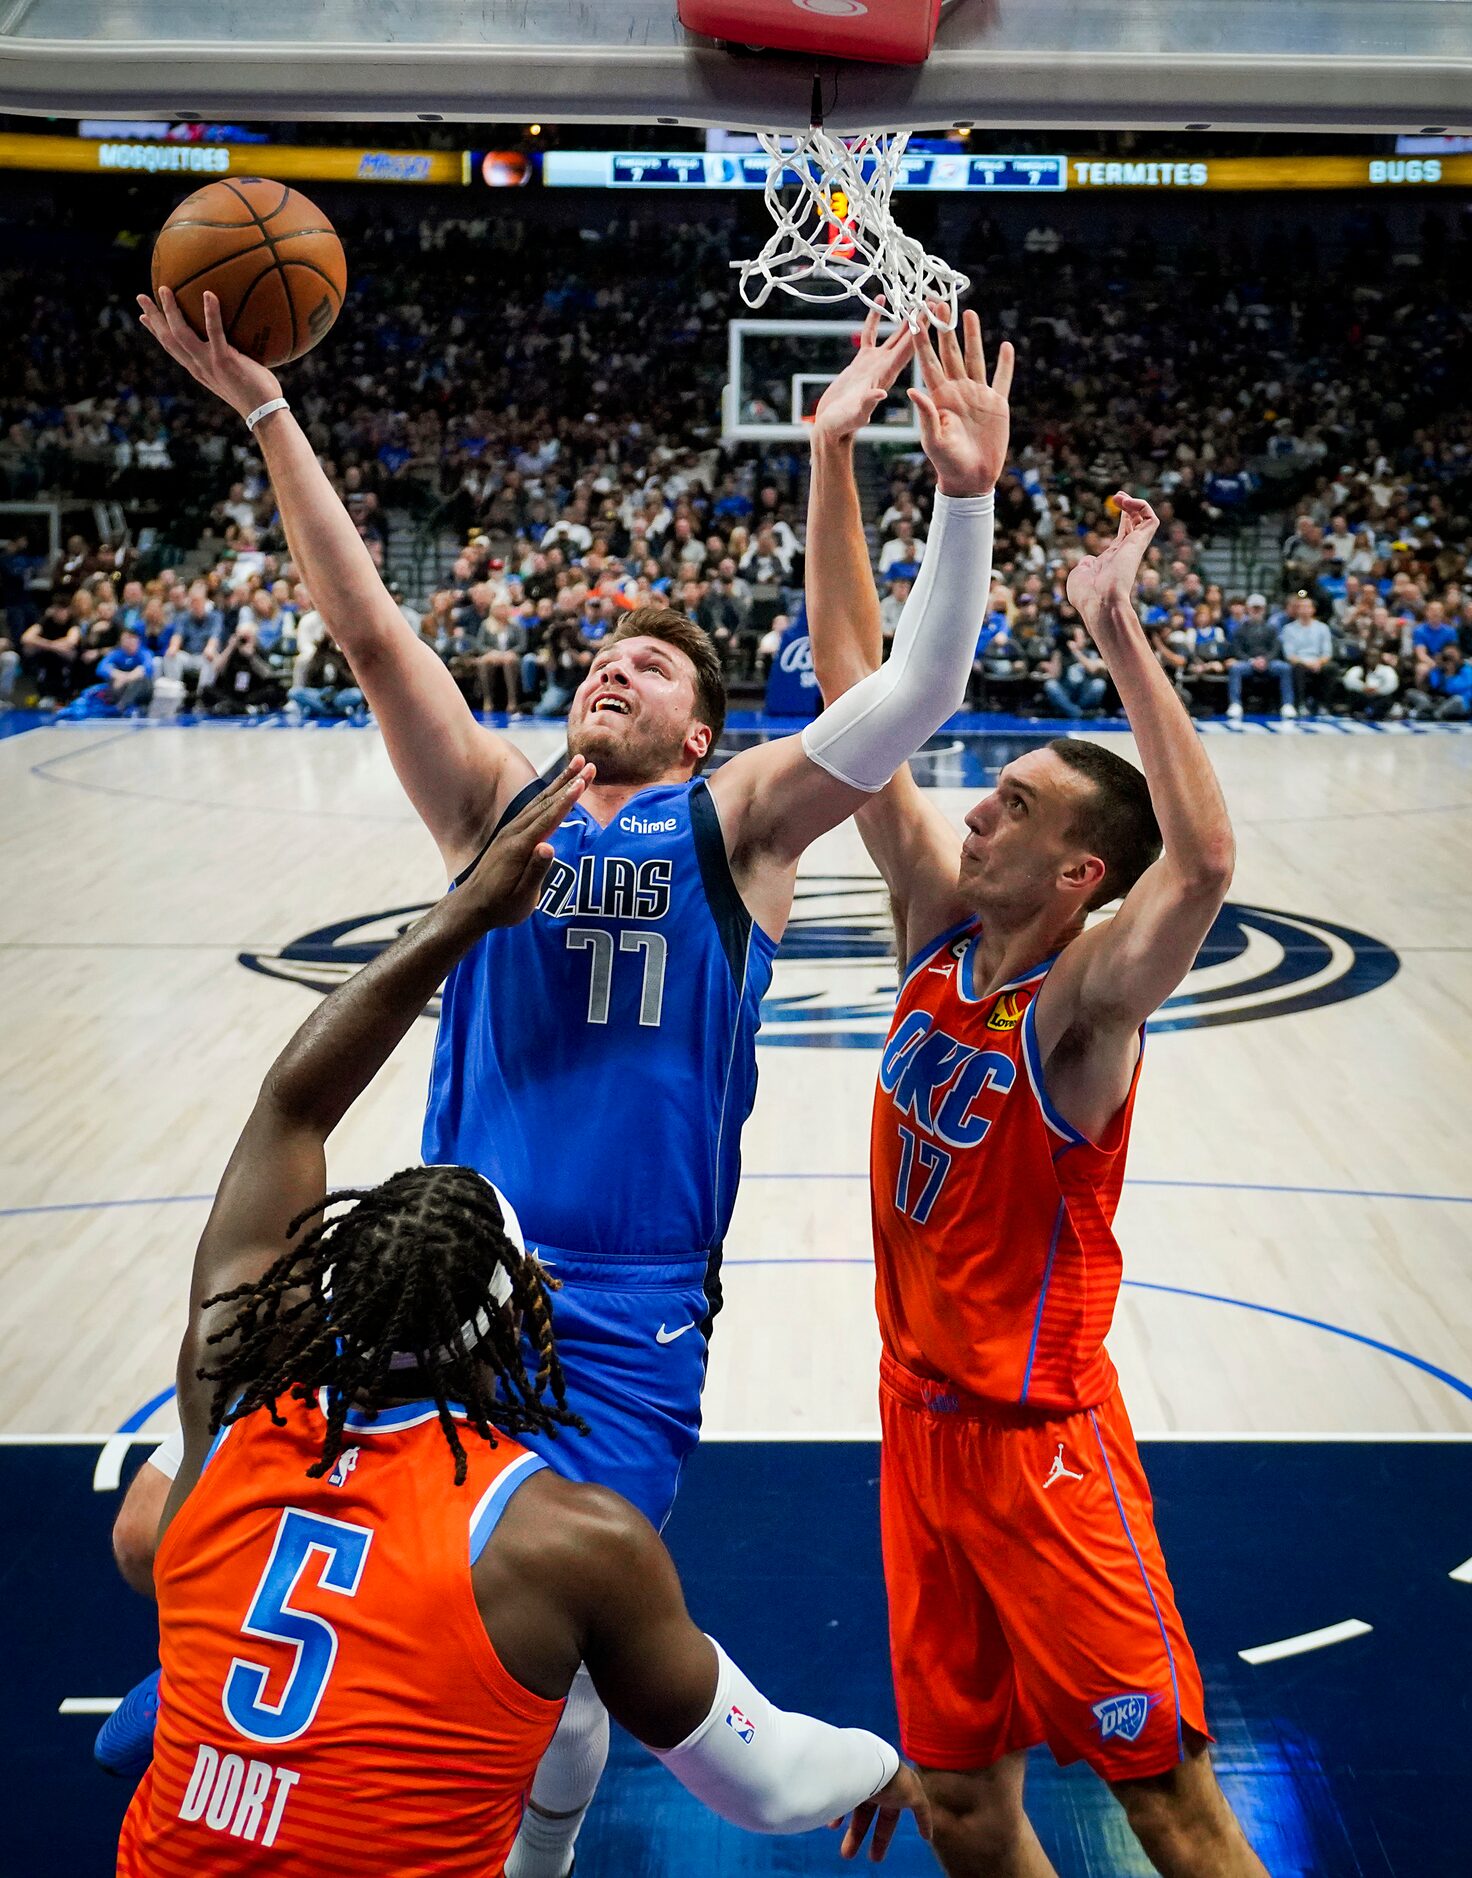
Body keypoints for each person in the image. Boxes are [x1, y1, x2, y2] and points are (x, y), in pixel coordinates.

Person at [125, 286, 1008, 1877]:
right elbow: (372, 627)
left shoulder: (738, 825)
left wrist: (955, 496)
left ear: (705, 732)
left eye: (657, 668)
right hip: (433, 1275)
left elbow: (918, 690)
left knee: (565, 1641)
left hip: (624, 1309)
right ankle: (248, 1656)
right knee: (252, 1541)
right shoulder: (490, 805)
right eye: (606, 654)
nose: (621, 667)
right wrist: (269, 412)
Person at [112, 761, 929, 1874]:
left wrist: (466, 911)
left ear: (335, 1291)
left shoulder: (235, 1395)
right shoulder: (567, 1540)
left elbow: (289, 1103)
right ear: (520, 1330)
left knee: (154, 1542)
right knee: (560, 1695)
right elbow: (777, 1782)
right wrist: (879, 1761)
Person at [806, 330, 1267, 1877]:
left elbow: (1200, 868)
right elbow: (857, 701)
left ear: (1078, 875)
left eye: (1011, 805)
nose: (974, 805)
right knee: (956, 1803)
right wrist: (838, 463)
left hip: (1041, 1450)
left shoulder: (1079, 1014)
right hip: (911, 1430)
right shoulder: (941, 935)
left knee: (1169, 1805)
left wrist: (1119, 632)